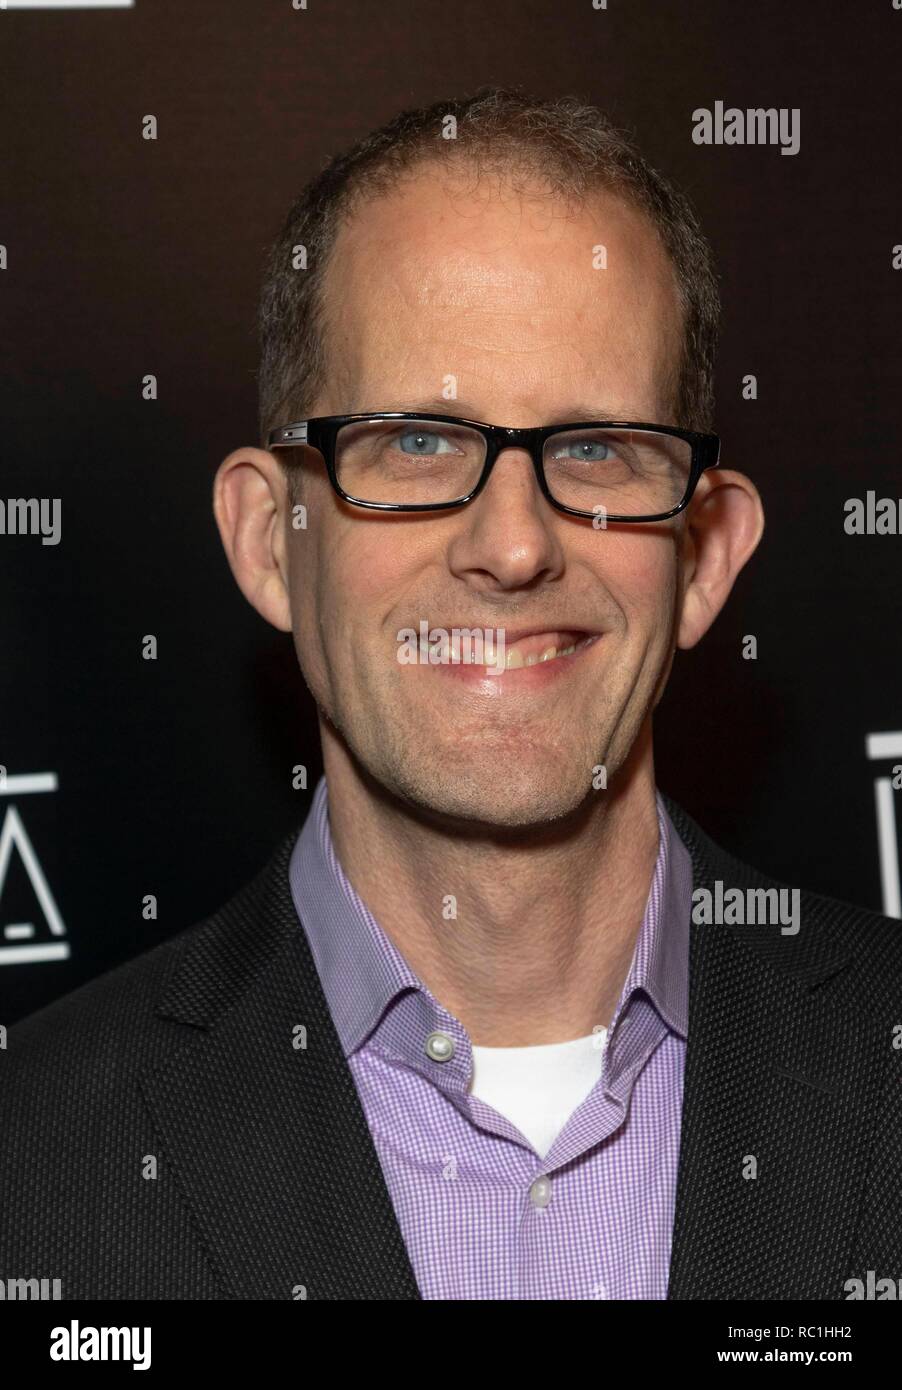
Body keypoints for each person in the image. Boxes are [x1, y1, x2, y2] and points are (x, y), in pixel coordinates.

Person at [2, 87, 900, 1301]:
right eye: (417, 441)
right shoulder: (36, 1163)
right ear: (272, 539)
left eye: (594, 448)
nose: (514, 544)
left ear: (704, 556)